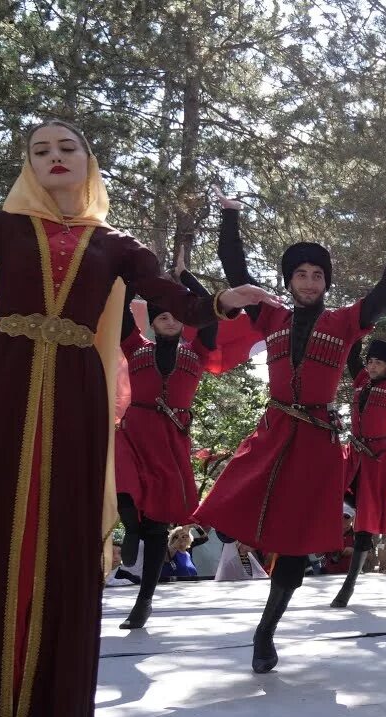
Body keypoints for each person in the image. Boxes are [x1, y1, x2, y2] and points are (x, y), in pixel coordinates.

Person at [0, 119, 276, 717]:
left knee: (62, 522)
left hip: (73, 390)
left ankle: (45, 688)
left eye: (66, 147)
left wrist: (222, 303)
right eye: (40, 150)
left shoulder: (116, 244)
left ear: (88, 160)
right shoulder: (4, 226)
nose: (54, 157)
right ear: (28, 165)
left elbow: (170, 295)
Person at [193, 187, 386, 673]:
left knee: (295, 547)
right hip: (273, 430)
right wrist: (229, 217)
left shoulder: (345, 322)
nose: (309, 281)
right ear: (289, 280)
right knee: (229, 506)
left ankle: (265, 632)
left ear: (325, 282)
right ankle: (239, 566)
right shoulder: (268, 314)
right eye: (301, 274)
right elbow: (235, 271)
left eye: (317, 275)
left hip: (315, 440)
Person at [115, 235, 231, 630]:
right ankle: (128, 525)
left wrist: (186, 278)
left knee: (158, 525)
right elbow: (120, 311)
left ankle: (144, 600)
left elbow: (211, 312)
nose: (169, 320)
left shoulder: (196, 352)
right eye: (162, 315)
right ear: (152, 320)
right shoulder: (135, 346)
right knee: (124, 483)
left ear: (184, 320)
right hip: (135, 430)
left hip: (171, 437)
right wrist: (134, 274)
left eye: (176, 316)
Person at [331, 292, 386, 607]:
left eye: (378, 361)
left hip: (377, 459)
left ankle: (349, 585)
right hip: (353, 455)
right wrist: (357, 321)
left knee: (365, 522)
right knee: (327, 491)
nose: (372, 364)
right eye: (371, 360)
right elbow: (352, 351)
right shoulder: (362, 381)